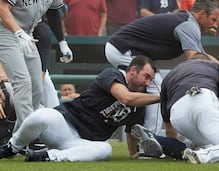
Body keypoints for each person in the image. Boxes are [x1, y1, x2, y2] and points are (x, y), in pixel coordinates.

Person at [105, 0, 219, 135]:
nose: (215, 25)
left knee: (143, 90)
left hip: (121, 48)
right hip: (122, 49)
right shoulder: (189, 26)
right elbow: (195, 61)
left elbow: (202, 56)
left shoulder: (188, 23)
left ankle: (141, 138)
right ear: (202, 14)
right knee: (157, 87)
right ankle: (152, 140)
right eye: (213, 19)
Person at [0, 56, 161, 162]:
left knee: (105, 150)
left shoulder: (140, 100)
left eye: (151, 80)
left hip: (82, 143)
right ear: (133, 70)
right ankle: (12, 147)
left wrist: (134, 156)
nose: (148, 83)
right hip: (63, 124)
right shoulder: (112, 74)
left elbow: (131, 131)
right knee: (40, 115)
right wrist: (161, 97)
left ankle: (45, 156)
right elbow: (125, 97)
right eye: (146, 77)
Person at [0, 0, 64, 133]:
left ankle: (17, 139)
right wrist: (17, 32)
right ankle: (31, 136)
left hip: (27, 35)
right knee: (23, 82)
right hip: (6, 32)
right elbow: (2, 7)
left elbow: (53, 12)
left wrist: (62, 41)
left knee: (37, 86)